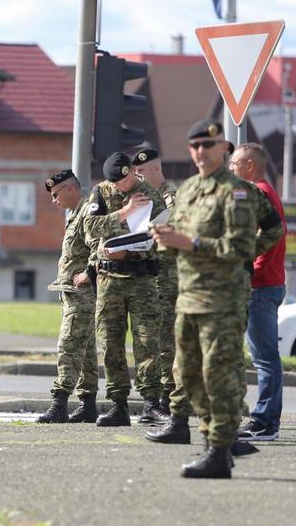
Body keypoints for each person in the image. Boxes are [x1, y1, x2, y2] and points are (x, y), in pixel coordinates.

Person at [151, 119, 257, 478]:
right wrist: (164, 241)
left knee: (219, 378)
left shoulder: (236, 192)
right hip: (188, 297)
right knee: (189, 377)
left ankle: (218, 449)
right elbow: (178, 239)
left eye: (207, 146)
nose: (200, 152)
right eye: (194, 145)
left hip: (221, 301)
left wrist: (192, 243)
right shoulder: (189, 188)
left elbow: (242, 246)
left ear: (224, 148)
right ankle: (216, 442)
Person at [84, 152, 168, 427]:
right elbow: (89, 229)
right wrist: (123, 213)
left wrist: (137, 249)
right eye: (116, 183)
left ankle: (151, 404)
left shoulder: (150, 194)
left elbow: (164, 234)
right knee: (111, 344)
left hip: (142, 279)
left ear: (133, 171)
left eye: (125, 179)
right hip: (110, 280)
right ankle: (118, 404)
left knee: (147, 343)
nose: (122, 185)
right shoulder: (100, 193)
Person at [230, 143, 287, 442]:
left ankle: (265, 423)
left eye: (235, 163)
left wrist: (251, 275)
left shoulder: (260, 193)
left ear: (250, 165)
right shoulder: (264, 190)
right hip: (265, 285)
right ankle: (266, 422)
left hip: (261, 287)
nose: (231, 169)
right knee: (265, 357)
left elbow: (271, 239)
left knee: (265, 359)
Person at [37, 169, 100, 423]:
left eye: (55, 195)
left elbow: (100, 245)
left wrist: (89, 271)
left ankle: (59, 403)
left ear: (70, 189)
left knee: (69, 346)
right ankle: (88, 404)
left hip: (83, 295)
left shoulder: (88, 212)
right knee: (86, 352)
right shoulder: (75, 215)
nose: (54, 201)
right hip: (72, 295)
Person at [132, 147, 179, 414]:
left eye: (141, 171)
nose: (137, 176)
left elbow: (167, 235)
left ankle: (168, 398)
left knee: (166, 341)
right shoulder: (143, 198)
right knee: (152, 340)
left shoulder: (170, 197)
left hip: (167, 279)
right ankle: (160, 396)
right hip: (151, 279)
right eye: (135, 172)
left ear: (155, 169)